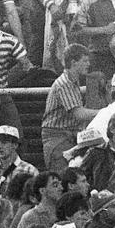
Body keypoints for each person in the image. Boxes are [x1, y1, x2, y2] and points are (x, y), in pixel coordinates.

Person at [42, 44, 96, 173]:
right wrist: (107, 111)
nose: (88, 64)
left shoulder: (73, 81)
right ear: (73, 62)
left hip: (69, 136)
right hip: (57, 138)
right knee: (63, 178)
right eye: (84, 61)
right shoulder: (64, 83)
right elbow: (79, 114)